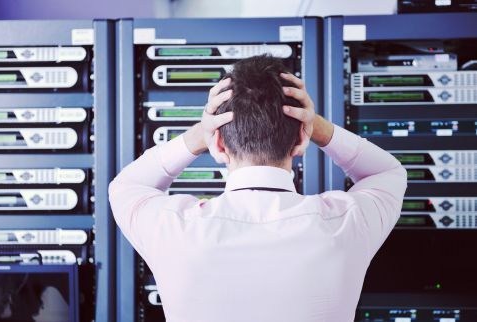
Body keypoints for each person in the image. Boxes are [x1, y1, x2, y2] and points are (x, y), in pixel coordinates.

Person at [109, 55, 407, 322]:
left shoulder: (174, 227)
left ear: (219, 144)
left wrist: (203, 133)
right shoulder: (346, 222)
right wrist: (316, 126)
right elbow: (387, 171)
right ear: (300, 140)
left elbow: (127, 185)